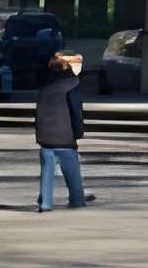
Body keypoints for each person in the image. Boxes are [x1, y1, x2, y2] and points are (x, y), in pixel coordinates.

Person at [34, 52, 95, 212]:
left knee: (46, 174)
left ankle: (45, 202)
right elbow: (76, 113)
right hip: (65, 138)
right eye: (77, 62)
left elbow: (39, 113)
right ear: (69, 66)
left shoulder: (45, 87)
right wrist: (78, 133)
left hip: (45, 137)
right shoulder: (72, 85)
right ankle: (76, 199)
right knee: (72, 172)